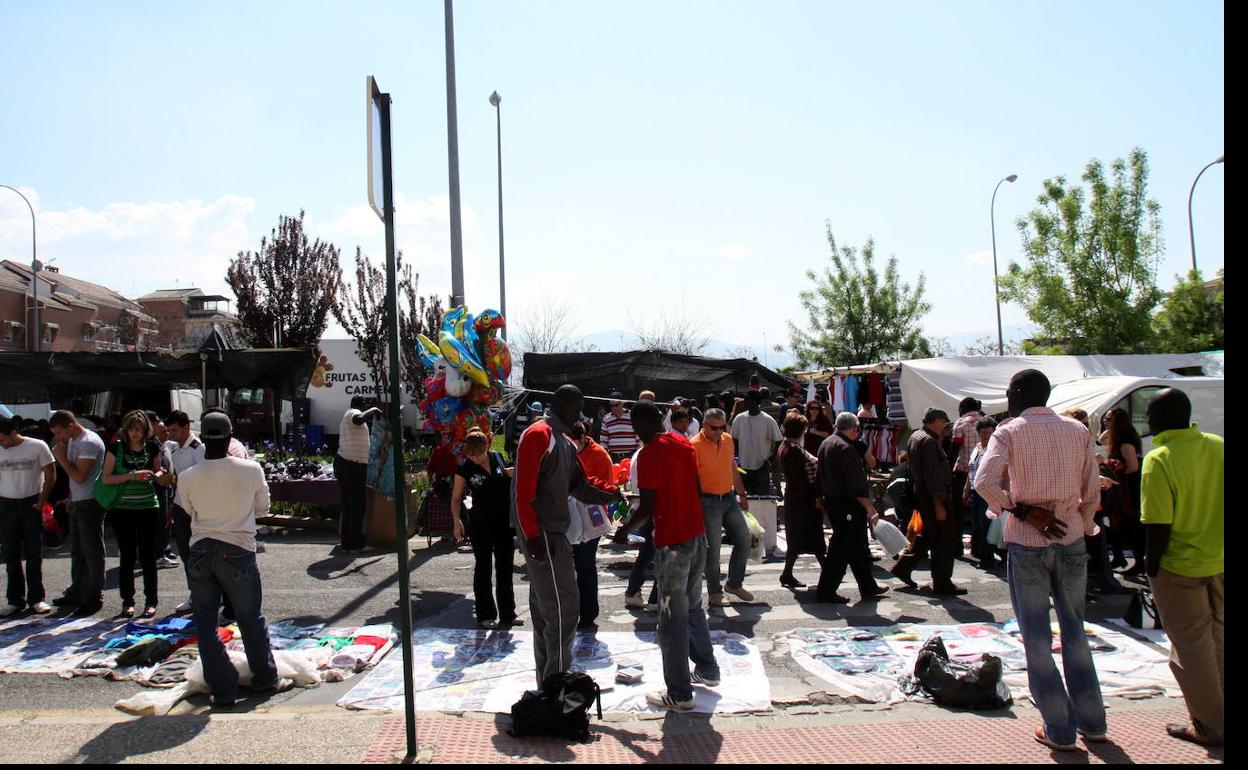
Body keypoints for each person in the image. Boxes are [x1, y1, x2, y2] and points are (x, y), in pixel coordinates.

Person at [974, 369, 1106, 751]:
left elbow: (983, 483)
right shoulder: (1077, 430)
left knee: (1036, 635)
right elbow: (1091, 489)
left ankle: (1059, 728)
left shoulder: (1009, 431)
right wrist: (1079, 524)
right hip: (1070, 540)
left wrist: (1023, 511)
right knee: (1075, 630)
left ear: (1016, 394)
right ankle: (1093, 722)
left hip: (1028, 543)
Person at [512, 385, 621, 687]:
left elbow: (580, 486)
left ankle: (547, 683)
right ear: (560, 406)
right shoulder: (539, 435)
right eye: (576, 408)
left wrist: (612, 493)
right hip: (544, 533)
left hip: (553, 532)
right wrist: (531, 536)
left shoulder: (565, 442)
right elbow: (523, 492)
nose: (580, 415)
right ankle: (556, 686)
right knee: (564, 609)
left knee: (547, 611)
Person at [614, 401, 719, 711]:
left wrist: (623, 530)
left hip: (672, 542)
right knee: (694, 606)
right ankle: (708, 669)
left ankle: (680, 693)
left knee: (671, 618)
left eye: (635, 427)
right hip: (695, 534)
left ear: (640, 425)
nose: (635, 433)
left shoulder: (648, 454)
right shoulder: (683, 443)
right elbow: (697, 488)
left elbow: (647, 506)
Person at [178, 412, 289, 707]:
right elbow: (263, 509)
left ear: (203, 439)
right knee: (249, 617)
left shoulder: (188, 477)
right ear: (230, 439)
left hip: (201, 548)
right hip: (237, 548)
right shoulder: (250, 470)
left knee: (204, 621)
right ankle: (264, 679)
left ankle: (223, 688)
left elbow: (189, 511)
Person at [1140, 388, 1224, 747]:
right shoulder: (1218, 445)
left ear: (1159, 419)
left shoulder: (1159, 458)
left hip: (1180, 566)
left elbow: (1158, 524)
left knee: (1191, 649)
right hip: (1220, 559)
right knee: (1219, 640)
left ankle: (1210, 726)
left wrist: (1150, 566)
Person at [815, 412, 890, 602]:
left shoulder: (828, 443)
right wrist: (870, 508)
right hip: (845, 503)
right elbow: (855, 484)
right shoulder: (845, 448)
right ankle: (826, 591)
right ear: (855, 428)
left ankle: (868, 586)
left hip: (834, 500)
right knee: (840, 549)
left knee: (857, 546)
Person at [99, 410, 165, 619]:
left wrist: (157, 475)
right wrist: (132, 476)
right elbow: (106, 479)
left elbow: (159, 470)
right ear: (125, 430)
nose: (134, 434)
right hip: (122, 508)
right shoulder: (116, 448)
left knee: (148, 555)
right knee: (127, 555)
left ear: (145, 430)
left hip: (148, 506)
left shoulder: (152, 447)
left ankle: (151, 601)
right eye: (130, 430)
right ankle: (127, 601)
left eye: (138, 430)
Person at [892, 409, 965, 595]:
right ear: (936, 421)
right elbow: (932, 475)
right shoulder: (928, 441)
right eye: (944, 422)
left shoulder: (917, 436)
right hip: (934, 495)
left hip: (925, 494)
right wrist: (939, 503)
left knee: (930, 534)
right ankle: (942, 581)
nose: (945, 426)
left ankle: (904, 567)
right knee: (943, 539)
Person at [451, 428, 519, 628]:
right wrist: (457, 521)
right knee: (483, 568)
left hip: (504, 523)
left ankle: (508, 613)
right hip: (481, 524)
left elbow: (505, 474)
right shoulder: (464, 468)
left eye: (479, 454)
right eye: (471, 455)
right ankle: (486, 614)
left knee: (505, 568)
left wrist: (514, 471)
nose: (476, 459)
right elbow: (456, 499)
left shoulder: (497, 457)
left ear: (487, 447)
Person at [691, 408, 754, 606]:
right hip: (708, 502)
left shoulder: (727, 440)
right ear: (704, 425)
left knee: (744, 538)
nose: (718, 432)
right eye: (714, 428)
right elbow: (692, 480)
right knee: (714, 550)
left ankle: (734, 583)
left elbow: (732, 468)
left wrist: (742, 494)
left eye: (721, 427)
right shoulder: (694, 446)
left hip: (728, 498)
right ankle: (715, 593)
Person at [48, 410, 108, 616]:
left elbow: (80, 476)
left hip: (91, 502)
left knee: (92, 551)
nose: (58, 437)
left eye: (59, 432)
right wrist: (70, 498)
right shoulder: (73, 440)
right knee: (77, 551)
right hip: (78, 500)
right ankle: (77, 591)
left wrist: (61, 458)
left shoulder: (88, 442)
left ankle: (93, 596)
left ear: (70, 426)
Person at [0, 416, 56, 616]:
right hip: (5, 503)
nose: (1, 443)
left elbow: (51, 473)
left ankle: (36, 599)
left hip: (30, 501)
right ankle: (15, 600)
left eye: (2, 439)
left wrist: (42, 501)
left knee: (34, 553)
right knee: (10, 554)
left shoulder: (37, 446)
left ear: (12, 433)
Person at [569, 421, 614, 631]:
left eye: (573, 443)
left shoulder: (600, 454)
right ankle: (570, 611)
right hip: (567, 517)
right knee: (568, 568)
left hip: (591, 518)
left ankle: (587, 614)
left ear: (582, 439)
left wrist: (581, 485)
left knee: (585, 565)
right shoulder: (563, 450)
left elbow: (605, 489)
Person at [776, 412, 826, 587]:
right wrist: (815, 498)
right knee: (814, 538)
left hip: (795, 499)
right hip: (803, 501)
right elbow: (802, 480)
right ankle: (828, 573)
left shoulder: (785, 446)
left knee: (797, 539)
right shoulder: (794, 451)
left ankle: (788, 573)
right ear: (803, 430)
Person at [335, 397, 382, 554]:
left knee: (349, 505)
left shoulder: (346, 416)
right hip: (352, 466)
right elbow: (359, 419)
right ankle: (356, 544)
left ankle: (347, 543)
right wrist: (374, 410)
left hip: (347, 464)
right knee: (357, 506)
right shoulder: (353, 413)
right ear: (360, 406)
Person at [1101, 408, 1145, 577]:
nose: (1105, 421)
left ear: (1118, 421)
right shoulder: (1116, 437)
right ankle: (1119, 557)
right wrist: (1110, 427)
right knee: (1116, 522)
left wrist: (1113, 472)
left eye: (1109, 419)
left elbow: (1133, 466)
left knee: (1132, 525)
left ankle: (1139, 562)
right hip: (1120, 488)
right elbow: (1101, 438)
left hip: (1129, 489)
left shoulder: (1125, 441)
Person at [730, 390, 782, 497]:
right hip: (742, 468)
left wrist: (771, 459)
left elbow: (779, 440)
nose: (744, 402)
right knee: (741, 500)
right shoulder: (739, 419)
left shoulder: (767, 420)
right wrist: (736, 458)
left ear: (754, 402)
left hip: (761, 468)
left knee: (761, 501)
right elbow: (734, 440)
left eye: (747, 399)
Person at [962, 416, 999, 569]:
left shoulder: (995, 449)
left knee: (985, 525)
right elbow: (971, 470)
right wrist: (966, 489)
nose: (986, 436)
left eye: (989, 433)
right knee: (977, 524)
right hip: (975, 491)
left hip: (989, 492)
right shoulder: (977, 448)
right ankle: (983, 554)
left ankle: (988, 559)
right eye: (984, 432)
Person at [950, 397, 985, 524]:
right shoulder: (988, 422)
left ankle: (958, 537)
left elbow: (955, 448)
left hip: (963, 470)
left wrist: (948, 468)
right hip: (983, 472)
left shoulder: (961, 424)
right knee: (980, 508)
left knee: (959, 507)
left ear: (963, 409)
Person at [599, 392, 639, 464]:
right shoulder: (606, 418)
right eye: (611, 405)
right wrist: (605, 456)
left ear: (622, 403)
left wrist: (637, 454)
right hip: (614, 457)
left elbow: (638, 437)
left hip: (631, 456)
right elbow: (603, 440)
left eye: (616, 405)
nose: (614, 408)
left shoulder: (632, 416)